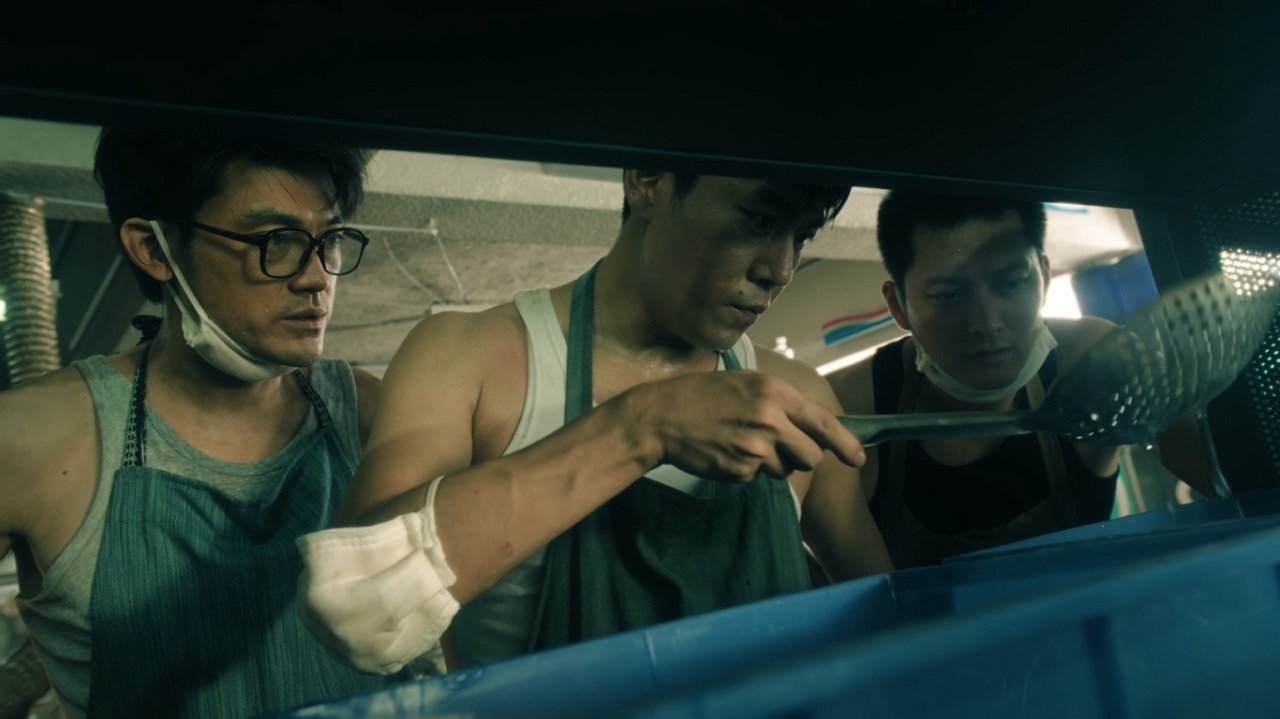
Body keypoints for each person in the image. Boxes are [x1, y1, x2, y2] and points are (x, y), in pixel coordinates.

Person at [296, 171, 894, 676]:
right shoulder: (469, 359)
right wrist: (639, 428)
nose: (781, 268)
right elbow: (360, 606)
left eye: (801, 235)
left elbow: (889, 633)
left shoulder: (798, 400)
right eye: (760, 221)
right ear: (648, 181)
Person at [0, 128, 389, 717]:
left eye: (328, 240)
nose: (316, 277)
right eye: (276, 240)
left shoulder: (372, 414)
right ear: (154, 249)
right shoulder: (36, 439)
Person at [820, 190, 1216, 571]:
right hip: (920, 622)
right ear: (898, 306)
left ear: (1043, 275)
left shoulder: (1095, 361)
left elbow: (1229, 478)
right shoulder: (851, 408)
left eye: (1011, 283)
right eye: (949, 295)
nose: (986, 322)